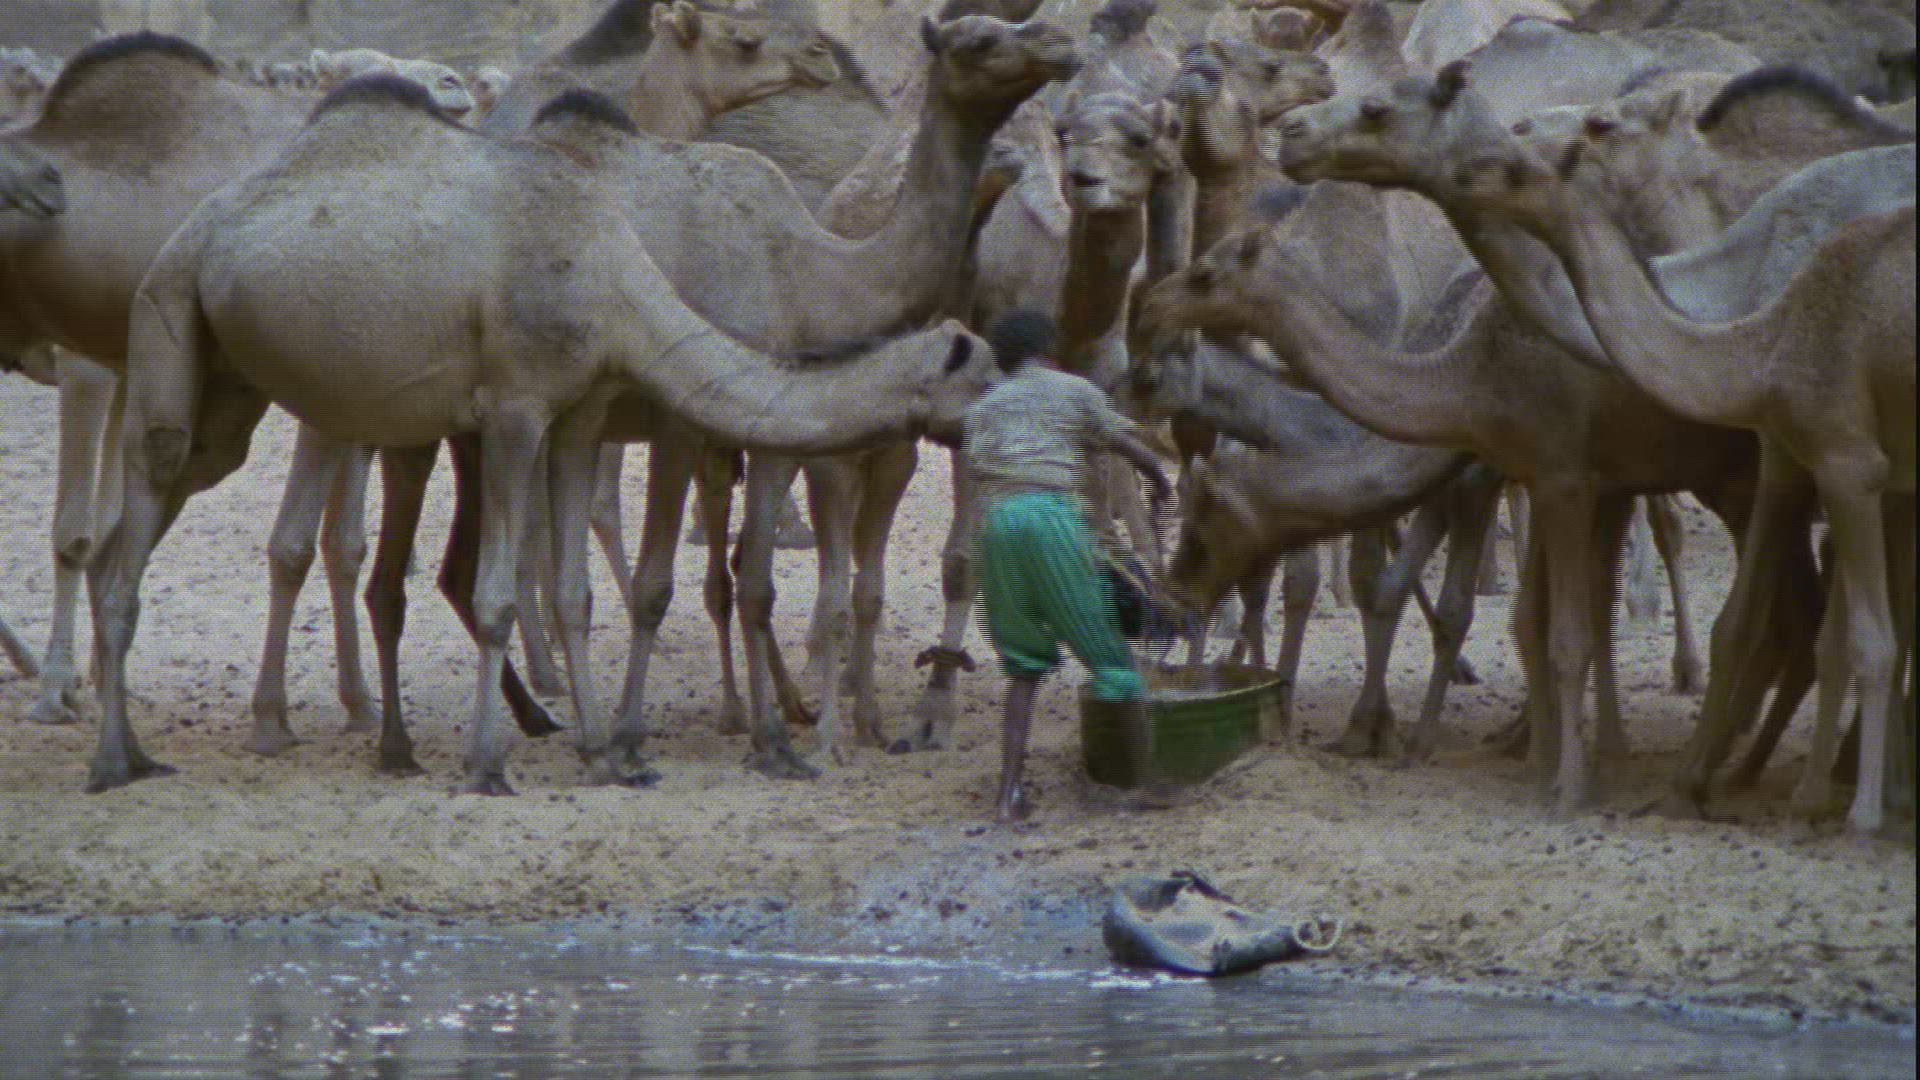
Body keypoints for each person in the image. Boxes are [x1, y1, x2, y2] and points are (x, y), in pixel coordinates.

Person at [963, 308, 1176, 822]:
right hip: (1050, 519)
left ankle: (1008, 795)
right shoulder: (1073, 389)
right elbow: (1132, 448)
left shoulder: (983, 408)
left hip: (995, 528)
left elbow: (980, 470)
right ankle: (1134, 782)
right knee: (1114, 662)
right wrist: (1161, 485)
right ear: (1049, 351)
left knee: (1023, 670)